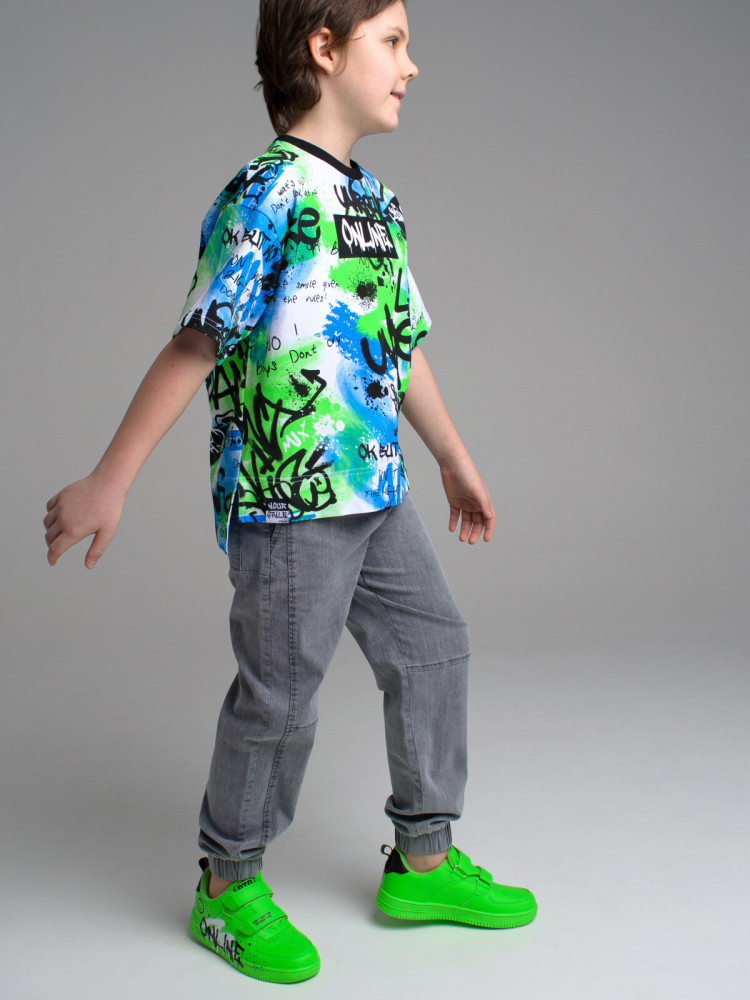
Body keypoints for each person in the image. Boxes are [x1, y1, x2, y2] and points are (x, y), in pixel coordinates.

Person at [44, 0, 537, 985]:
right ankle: (227, 886)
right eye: (392, 41)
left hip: (376, 491)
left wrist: (452, 458)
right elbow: (198, 341)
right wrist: (110, 478)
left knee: (434, 649)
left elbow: (401, 345)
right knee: (282, 697)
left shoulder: (377, 204)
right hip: (287, 498)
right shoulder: (266, 192)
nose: (411, 64)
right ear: (324, 48)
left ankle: (424, 860)